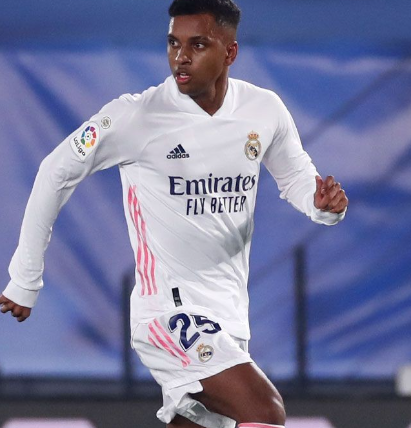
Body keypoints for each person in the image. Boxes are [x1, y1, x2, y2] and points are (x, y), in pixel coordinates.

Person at [0, 0, 349, 427]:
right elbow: (54, 171)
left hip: (229, 315)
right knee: (264, 410)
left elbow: (296, 178)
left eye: (197, 45)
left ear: (230, 52)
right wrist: (25, 278)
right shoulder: (136, 116)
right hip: (167, 312)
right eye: (173, 43)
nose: (181, 57)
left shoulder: (264, 109)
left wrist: (322, 206)